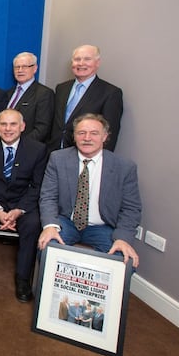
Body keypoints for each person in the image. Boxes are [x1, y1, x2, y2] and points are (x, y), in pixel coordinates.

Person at [37, 113, 141, 268]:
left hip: (103, 227)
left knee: (124, 261)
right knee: (47, 248)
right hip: (66, 222)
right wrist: (50, 226)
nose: (87, 138)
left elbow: (131, 208)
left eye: (94, 133)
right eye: (81, 133)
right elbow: (48, 196)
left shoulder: (124, 167)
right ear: (74, 136)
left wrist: (123, 238)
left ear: (105, 137)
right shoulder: (58, 159)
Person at [0, 109, 47, 301]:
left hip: (22, 202)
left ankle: (23, 278)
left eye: (13, 124)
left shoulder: (37, 150)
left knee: (33, 225)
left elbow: (37, 186)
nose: (8, 129)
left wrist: (18, 210)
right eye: (3, 124)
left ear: (22, 126)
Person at [49, 45, 123, 151]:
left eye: (87, 59)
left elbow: (109, 133)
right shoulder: (61, 88)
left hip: (85, 154)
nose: (81, 63)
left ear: (97, 63)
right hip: (54, 152)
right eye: (77, 59)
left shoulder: (110, 93)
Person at [6, 52, 54, 143]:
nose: (20, 70)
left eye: (24, 66)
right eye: (17, 67)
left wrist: (20, 145)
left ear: (35, 68)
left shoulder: (44, 93)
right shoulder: (8, 93)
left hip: (28, 146)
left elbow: (42, 128)